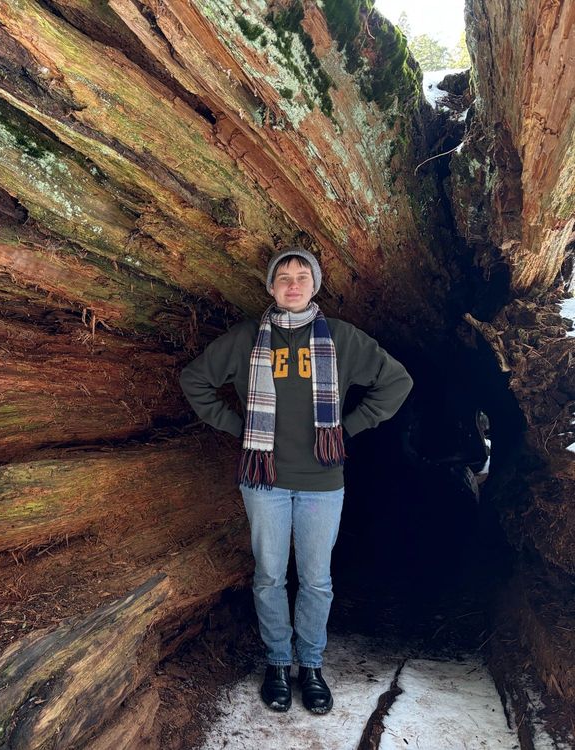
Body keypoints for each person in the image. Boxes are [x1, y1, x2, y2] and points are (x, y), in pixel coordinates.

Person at [179, 247, 412, 714]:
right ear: (270, 287)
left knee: (316, 580)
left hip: (322, 481)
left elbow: (397, 381)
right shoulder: (246, 339)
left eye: (302, 276)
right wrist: (239, 427)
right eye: (283, 277)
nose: (292, 284)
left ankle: (311, 666)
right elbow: (195, 380)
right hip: (263, 479)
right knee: (269, 576)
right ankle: (277, 663)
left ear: (314, 286)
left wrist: (349, 427)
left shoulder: (341, 338)